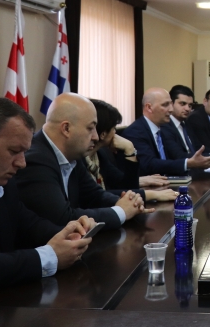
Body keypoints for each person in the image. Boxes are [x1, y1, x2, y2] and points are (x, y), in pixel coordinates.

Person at [0, 98, 95, 301]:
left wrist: (69, 235)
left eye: (24, 152)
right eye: (14, 151)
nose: (22, 163)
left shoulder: (0, 180)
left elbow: (27, 224)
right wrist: (50, 257)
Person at [16, 93, 148, 231]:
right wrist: (121, 211)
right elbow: (63, 219)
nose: (96, 137)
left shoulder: (72, 154)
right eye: (90, 128)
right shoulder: (36, 160)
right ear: (66, 129)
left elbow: (93, 195)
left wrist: (128, 203)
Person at [87, 99, 177, 203]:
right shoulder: (79, 159)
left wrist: (130, 150)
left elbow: (127, 186)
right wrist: (152, 195)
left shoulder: (100, 154)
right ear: (103, 134)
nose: (115, 133)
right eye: (114, 128)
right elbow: (96, 196)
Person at [122, 88, 210, 176]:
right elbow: (149, 164)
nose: (171, 109)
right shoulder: (136, 131)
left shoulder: (160, 129)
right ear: (149, 107)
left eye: (171, 104)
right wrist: (188, 163)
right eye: (165, 105)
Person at [160, 85, 196, 158]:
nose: (187, 109)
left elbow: (198, 147)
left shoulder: (188, 123)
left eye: (190, 105)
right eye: (182, 104)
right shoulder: (164, 126)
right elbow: (177, 155)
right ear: (171, 103)